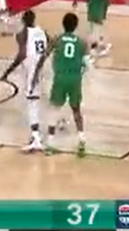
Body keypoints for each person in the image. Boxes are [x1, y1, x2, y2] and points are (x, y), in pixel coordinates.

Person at [35, 12, 90, 156]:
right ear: (76, 25)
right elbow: (87, 65)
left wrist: (37, 71)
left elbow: (44, 56)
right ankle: (81, 140)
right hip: (75, 79)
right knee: (76, 110)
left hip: (60, 78)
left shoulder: (57, 39)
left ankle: (50, 142)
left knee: (54, 109)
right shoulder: (82, 42)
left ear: (63, 24)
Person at [0, 10, 49, 152]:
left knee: (32, 103)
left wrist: (7, 72)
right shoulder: (42, 31)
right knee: (41, 99)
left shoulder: (23, 33)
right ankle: (57, 123)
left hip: (32, 71)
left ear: (23, 21)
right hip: (42, 68)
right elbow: (50, 45)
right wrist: (42, 58)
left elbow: (22, 54)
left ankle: (36, 138)